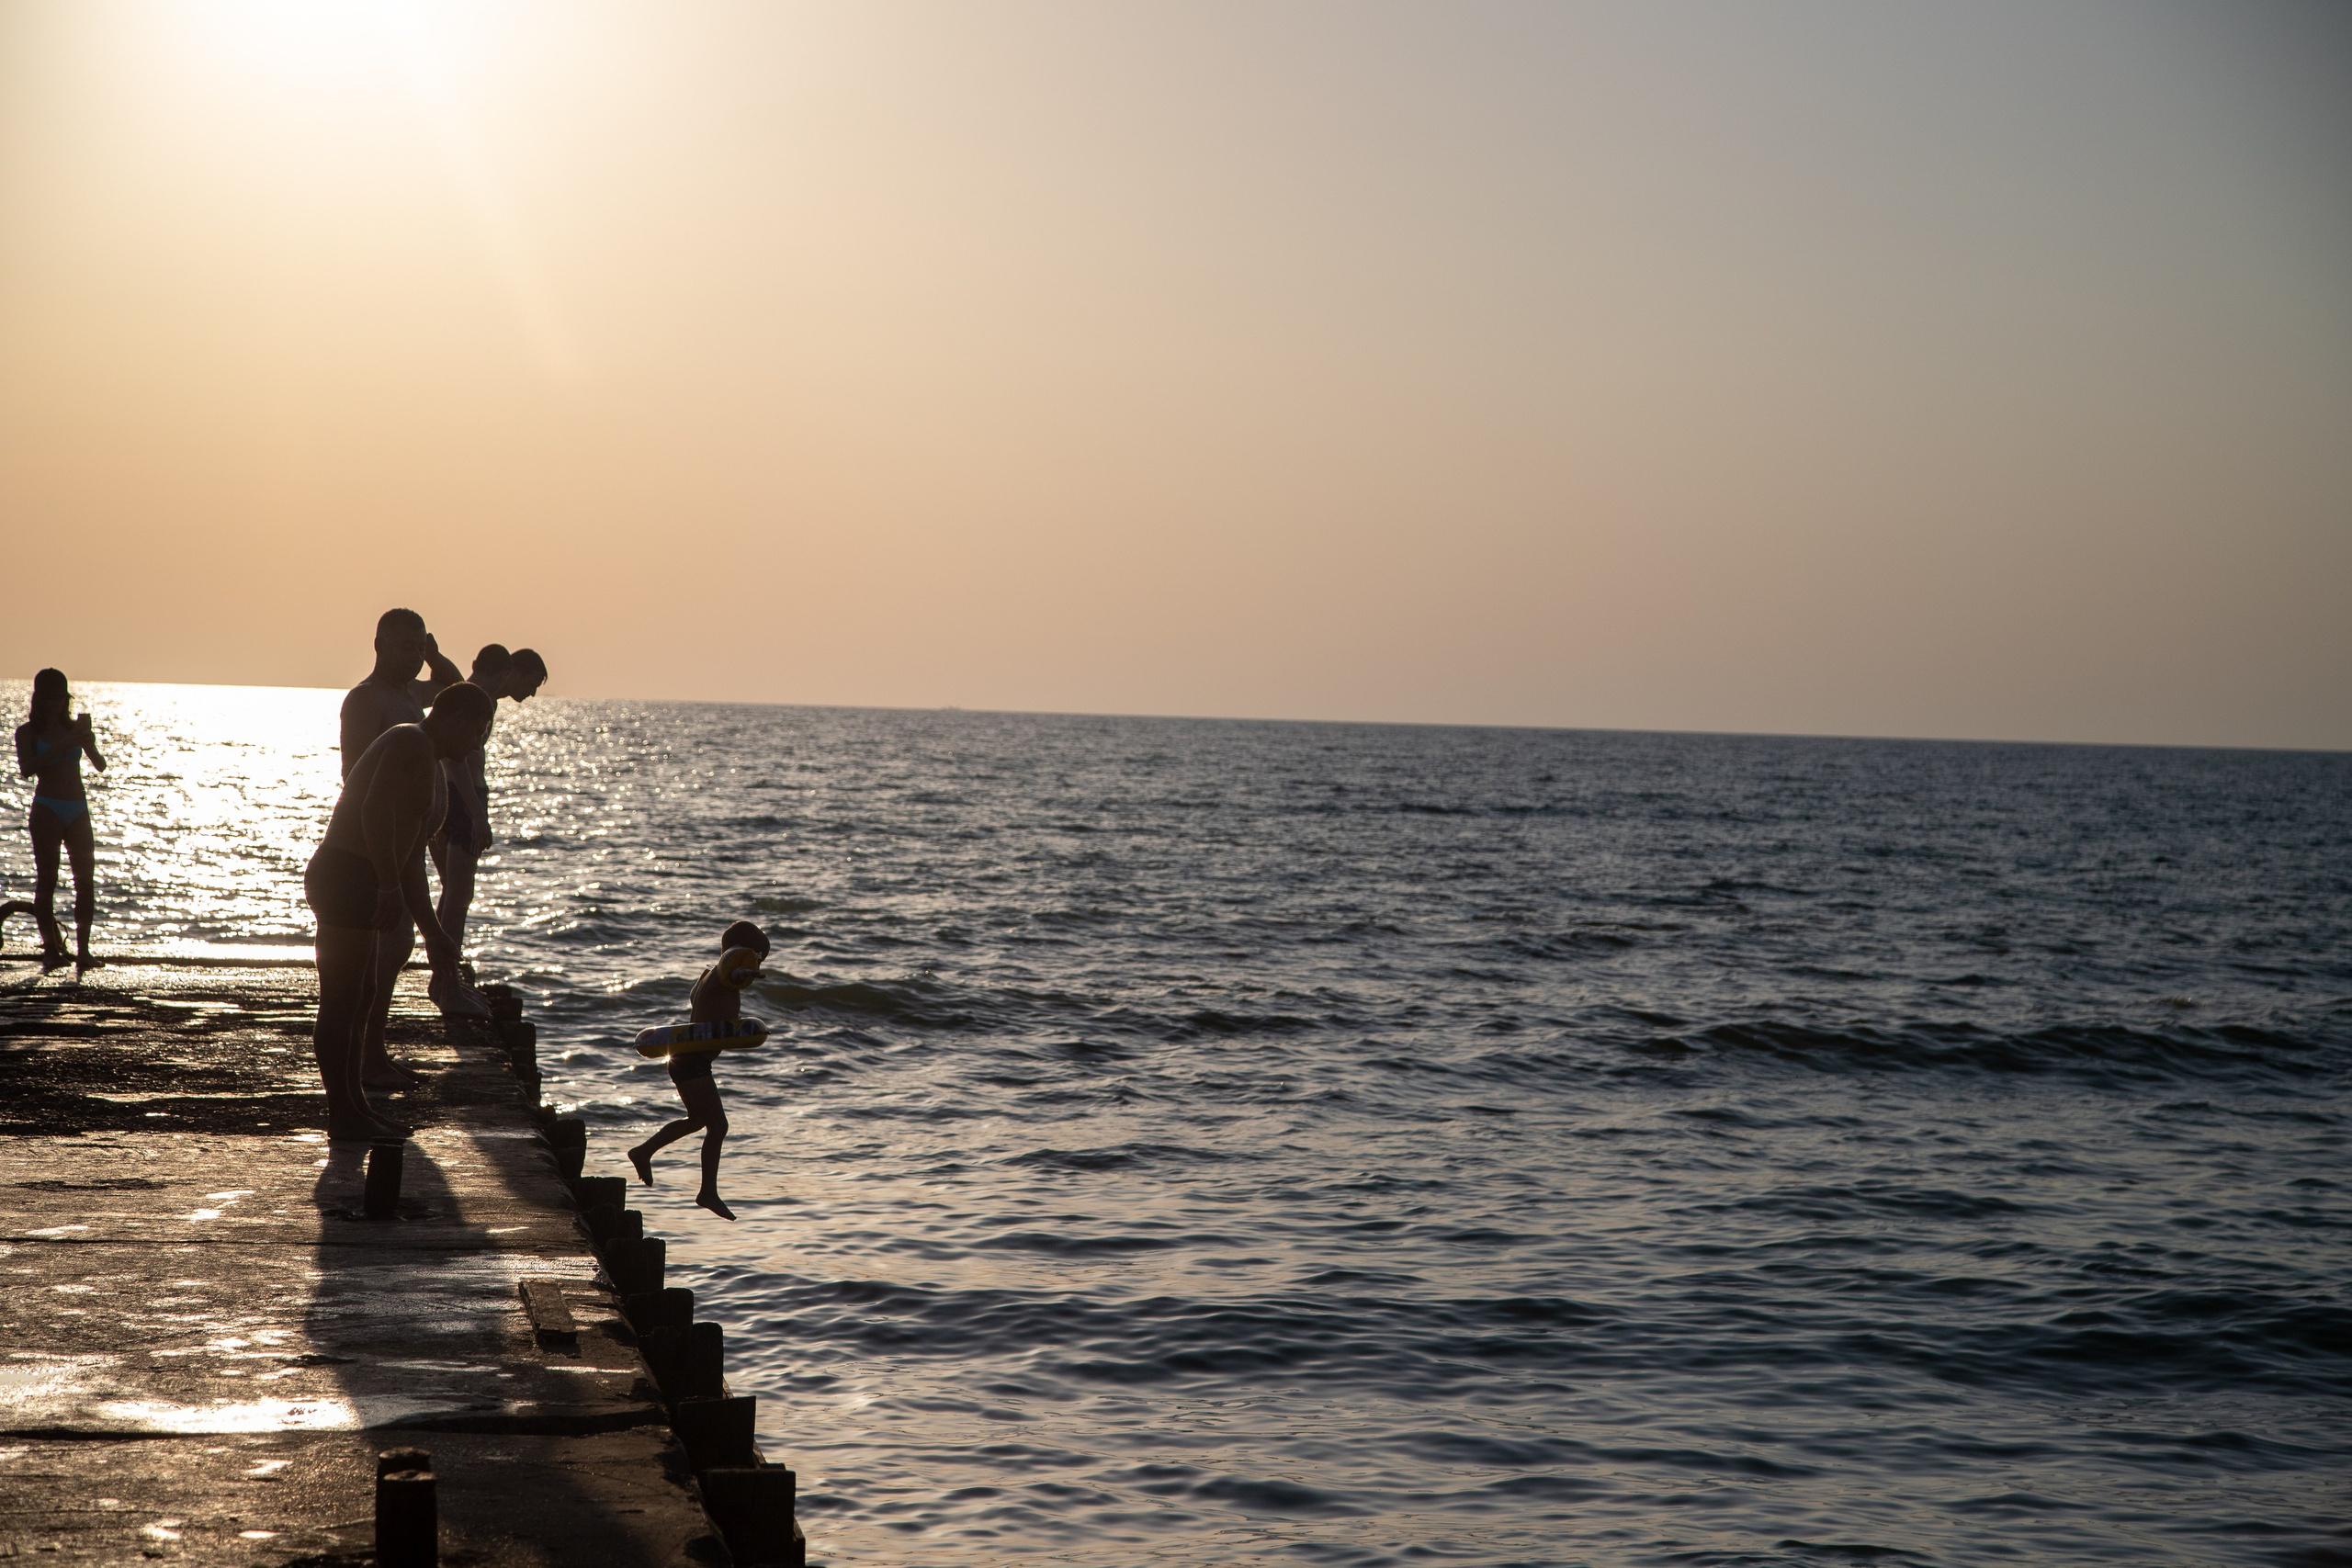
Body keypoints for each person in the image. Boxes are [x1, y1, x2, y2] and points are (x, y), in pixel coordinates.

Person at [305, 682, 496, 1141]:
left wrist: (434, 933)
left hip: (368, 878)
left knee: (364, 994)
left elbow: (411, 859)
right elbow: (372, 812)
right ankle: (342, 1115)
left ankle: (356, 1106)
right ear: (454, 719)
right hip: (347, 874)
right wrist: (387, 887)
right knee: (342, 1000)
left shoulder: (429, 760)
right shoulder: (411, 741)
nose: (477, 745)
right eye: (476, 732)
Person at [341, 609, 473, 1060]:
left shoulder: (414, 694)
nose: (415, 656)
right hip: (381, 847)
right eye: (406, 647)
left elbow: (459, 692)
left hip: (407, 847)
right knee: (385, 949)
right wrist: (388, 860)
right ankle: (368, 1053)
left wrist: (434, 654)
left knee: (398, 945)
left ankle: (373, 1049)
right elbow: (357, 776)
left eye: (420, 647)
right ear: (379, 645)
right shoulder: (367, 698)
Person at [628, 920, 769, 1221]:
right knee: (718, 1126)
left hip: (687, 1060)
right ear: (740, 953)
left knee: (698, 1120)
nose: (757, 962)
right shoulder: (725, 975)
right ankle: (707, 1192)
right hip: (691, 1061)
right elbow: (734, 972)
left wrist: (740, 974)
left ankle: (644, 1151)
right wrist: (744, 972)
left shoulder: (710, 976)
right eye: (756, 955)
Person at [431, 644, 548, 956]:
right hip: (463, 797)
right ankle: (446, 969)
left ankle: (442, 963)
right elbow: (457, 759)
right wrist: (478, 814)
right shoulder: (477, 701)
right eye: (531, 683)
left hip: (443, 793)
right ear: (511, 672)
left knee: (452, 890)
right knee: (460, 896)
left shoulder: (468, 694)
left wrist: (434, 656)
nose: (532, 693)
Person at [14, 669, 107, 968]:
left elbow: (100, 765)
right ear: (39, 699)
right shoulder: (28, 732)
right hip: (47, 808)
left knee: (85, 882)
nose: (56, 703)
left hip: (77, 808)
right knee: (47, 881)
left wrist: (88, 741)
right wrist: (63, 745)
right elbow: (27, 769)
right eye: (50, 698)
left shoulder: (74, 729)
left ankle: (84, 952)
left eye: (60, 698)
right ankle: (51, 951)